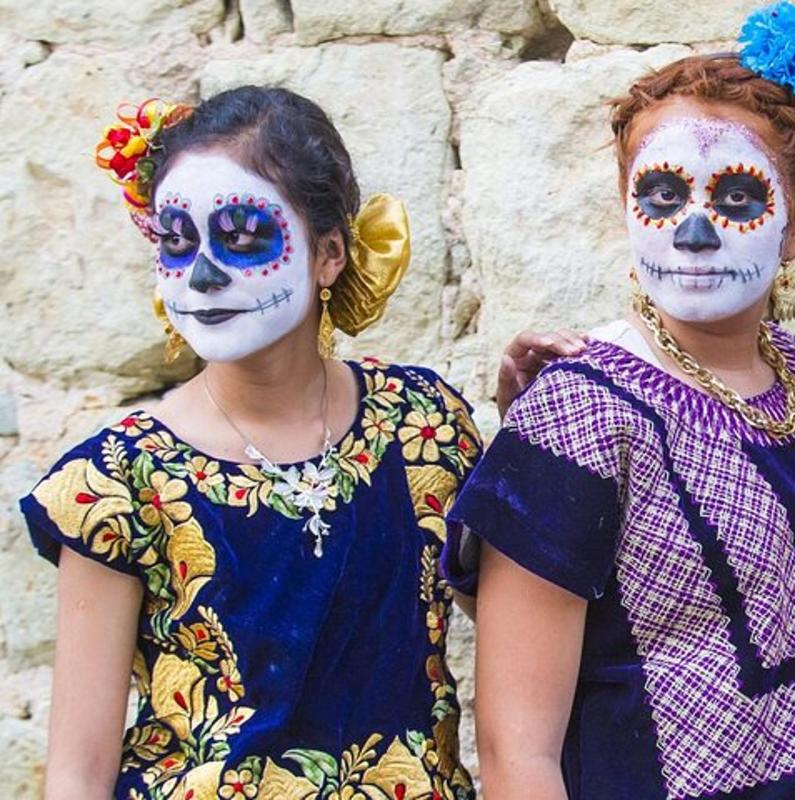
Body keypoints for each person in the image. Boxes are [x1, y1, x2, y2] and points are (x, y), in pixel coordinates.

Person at [441, 4, 795, 798]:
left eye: (738, 198)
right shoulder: (578, 414)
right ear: (625, 207)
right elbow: (519, 754)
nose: (694, 232)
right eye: (661, 193)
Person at [21, 87, 483, 799]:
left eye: (243, 237)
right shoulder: (115, 483)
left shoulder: (424, 427)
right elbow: (77, 773)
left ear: (329, 253)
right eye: (178, 242)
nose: (204, 275)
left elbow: (524, 617)